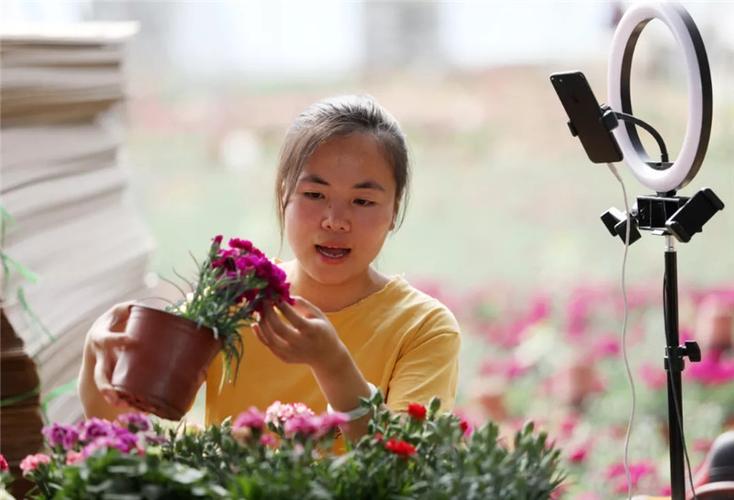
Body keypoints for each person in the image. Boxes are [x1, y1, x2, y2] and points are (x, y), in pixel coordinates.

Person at [78, 95, 461, 442]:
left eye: (363, 201)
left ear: (393, 211)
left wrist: (333, 365)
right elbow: (122, 429)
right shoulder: (235, 299)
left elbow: (406, 471)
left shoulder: (423, 328)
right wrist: (100, 352)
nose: (335, 220)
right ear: (284, 196)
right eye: (314, 194)